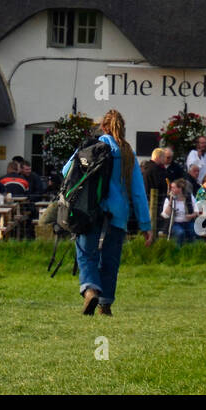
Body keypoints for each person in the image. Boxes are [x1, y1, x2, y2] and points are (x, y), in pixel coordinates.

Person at [63, 109, 152, 316]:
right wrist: (145, 225)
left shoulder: (91, 146)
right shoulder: (128, 152)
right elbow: (138, 192)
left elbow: (66, 171)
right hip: (117, 212)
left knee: (86, 254)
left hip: (89, 209)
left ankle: (91, 289)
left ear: (103, 127)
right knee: (110, 259)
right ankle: (105, 305)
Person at [161, 179, 200, 245]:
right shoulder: (168, 198)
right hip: (175, 223)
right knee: (180, 232)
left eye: (173, 187)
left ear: (180, 189)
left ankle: (191, 249)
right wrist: (170, 202)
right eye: (171, 187)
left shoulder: (189, 197)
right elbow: (165, 215)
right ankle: (178, 250)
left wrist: (191, 216)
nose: (171, 189)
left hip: (188, 222)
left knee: (194, 232)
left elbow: (197, 211)